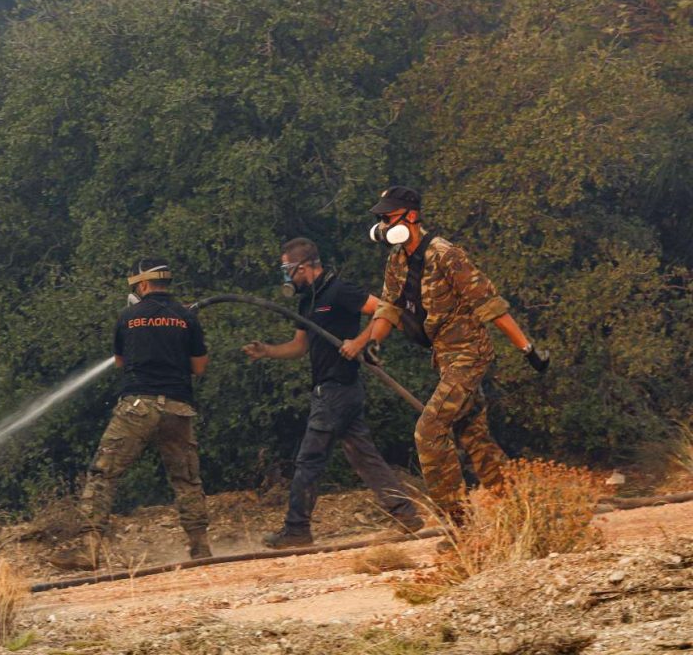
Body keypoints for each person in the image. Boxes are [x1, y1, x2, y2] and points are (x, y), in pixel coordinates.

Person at [357, 186, 549, 521]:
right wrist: (375, 340)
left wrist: (528, 349)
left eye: (388, 218)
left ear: (410, 217)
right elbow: (389, 306)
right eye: (381, 220)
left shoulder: (446, 255)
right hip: (445, 359)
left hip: (469, 354)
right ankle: (526, 512)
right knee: (475, 439)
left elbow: (489, 304)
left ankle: (459, 527)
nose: (384, 226)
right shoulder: (397, 259)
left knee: (429, 431)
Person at [242, 238, 423, 549]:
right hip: (332, 389)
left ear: (307, 265)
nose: (287, 277)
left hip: (338, 389)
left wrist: (361, 341)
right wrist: (267, 351)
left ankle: (297, 529)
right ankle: (405, 513)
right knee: (364, 455)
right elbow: (299, 347)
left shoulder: (339, 290)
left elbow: (385, 309)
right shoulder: (306, 302)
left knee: (309, 459)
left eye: (289, 269)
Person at [49, 259, 212, 571]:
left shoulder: (128, 316)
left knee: (104, 473)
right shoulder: (186, 317)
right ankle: (200, 547)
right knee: (187, 479)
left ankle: (89, 549)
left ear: (142, 285)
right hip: (178, 408)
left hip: (138, 407)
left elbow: (121, 362)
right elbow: (199, 367)